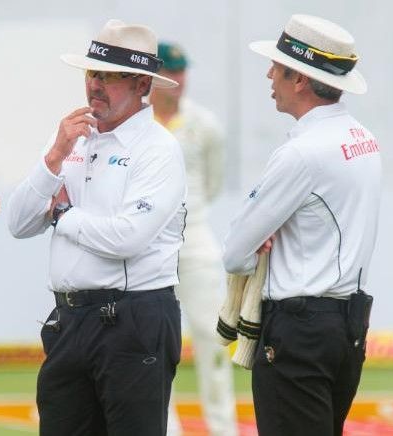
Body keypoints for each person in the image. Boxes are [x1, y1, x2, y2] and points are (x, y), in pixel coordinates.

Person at [8, 19, 187, 436]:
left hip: (133, 319)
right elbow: (18, 223)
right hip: (70, 320)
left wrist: (64, 217)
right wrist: (54, 156)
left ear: (143, 84)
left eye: (111, 76)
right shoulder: (73, 139)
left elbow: (127, 238)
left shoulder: (158, 149)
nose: (95, 85)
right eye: (92, 73)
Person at [222, 14, 381, 436]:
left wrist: (260, 236)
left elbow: (235, 253)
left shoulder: (303, 153)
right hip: (346, 323)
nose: (269, 74)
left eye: (278, 67)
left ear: (301, 80)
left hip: (301, 329)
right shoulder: (363, 139)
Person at [150, 42, 238, 436]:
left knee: (214, 339)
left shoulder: (206, 125)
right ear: (153, 77)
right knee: (155, 344)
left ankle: (223, 429)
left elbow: (214, 184)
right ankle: (166, 429)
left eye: (184, 70)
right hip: (149, 245)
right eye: (172, 71)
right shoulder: (137, 123)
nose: (179, 79)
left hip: (197, 239)